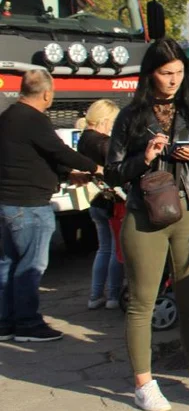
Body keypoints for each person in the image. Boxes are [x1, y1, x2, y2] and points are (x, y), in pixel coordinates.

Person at [104, 38, 189, 411]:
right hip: (145, 213)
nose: (172, 80)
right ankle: (144, 383)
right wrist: (146, 157)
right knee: (142, 301)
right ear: (150, 73)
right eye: (165, 73)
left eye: (178, 73)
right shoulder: (131, 116)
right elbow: (112, 172)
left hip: (188, 211)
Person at [0, 69, 100, 342]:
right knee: (31, 266)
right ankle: (27, 324)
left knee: (8, 264)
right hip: (30, 205)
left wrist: (67, 174)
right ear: (46, 93)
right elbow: (59, 151)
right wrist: (95, 167)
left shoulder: (7, 117)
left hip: (8, 202)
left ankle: (5, 323)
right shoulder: (35, 120)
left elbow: (32, 157)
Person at [76, 99, 124, 310]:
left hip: (96, 200)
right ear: (105, 120)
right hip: (112, 200)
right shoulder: (104, 143)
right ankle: (113, 296)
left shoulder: (83, 139)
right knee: (116, 250)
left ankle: (95, 295)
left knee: (103, 249)